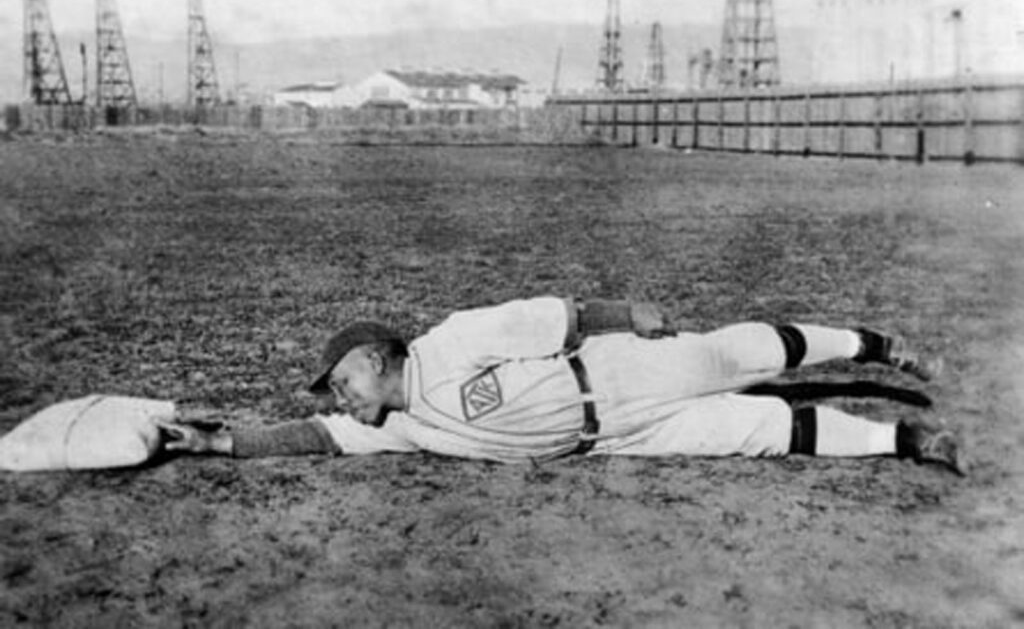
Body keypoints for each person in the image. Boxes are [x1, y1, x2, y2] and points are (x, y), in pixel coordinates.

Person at [159, 297, 968, 475]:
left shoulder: (449, 342)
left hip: (617, 368)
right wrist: (221, 441)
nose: (340, 400)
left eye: (341, 381)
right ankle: (908, 443)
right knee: (754, 432)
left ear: (377, 355)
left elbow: (549, 316)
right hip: (614, 435)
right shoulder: (393, 425)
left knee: (747, 352)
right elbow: (306, 437)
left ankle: (877, 345)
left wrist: (622, 313)